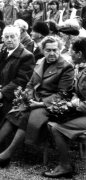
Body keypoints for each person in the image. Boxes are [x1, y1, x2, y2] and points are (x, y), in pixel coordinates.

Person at [0, 36, 74, 168]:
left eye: (55, 50)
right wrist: (27, 96)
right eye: (48, 50)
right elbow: (30, 83)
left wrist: (40, 104)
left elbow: (63, 94)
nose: (52, 53)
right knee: (14, 113)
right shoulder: (40, 61)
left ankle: (7, 154)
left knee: (27, 117)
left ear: (60, 49)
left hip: (52, 105)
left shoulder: (66, 67)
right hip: (34, 100)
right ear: (42, 50)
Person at [0, 26, 35, 146]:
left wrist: (2, 92)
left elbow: (22, 80)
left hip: (12, 94)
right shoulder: (2, 52)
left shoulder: (26, 56)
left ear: (19, 38)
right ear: (3, 38)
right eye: (6, 37)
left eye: (12, 37)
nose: (9, 39)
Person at [44, 38, 86, 178]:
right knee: (53, 123)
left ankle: (65, 166)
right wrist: (74, 98)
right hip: (82, 111)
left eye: (71, 51)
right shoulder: (81, 67)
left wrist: (73, 105)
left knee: (55, 126)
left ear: (79, 53)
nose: (69, 53)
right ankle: (65, 163)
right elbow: (79, 92)